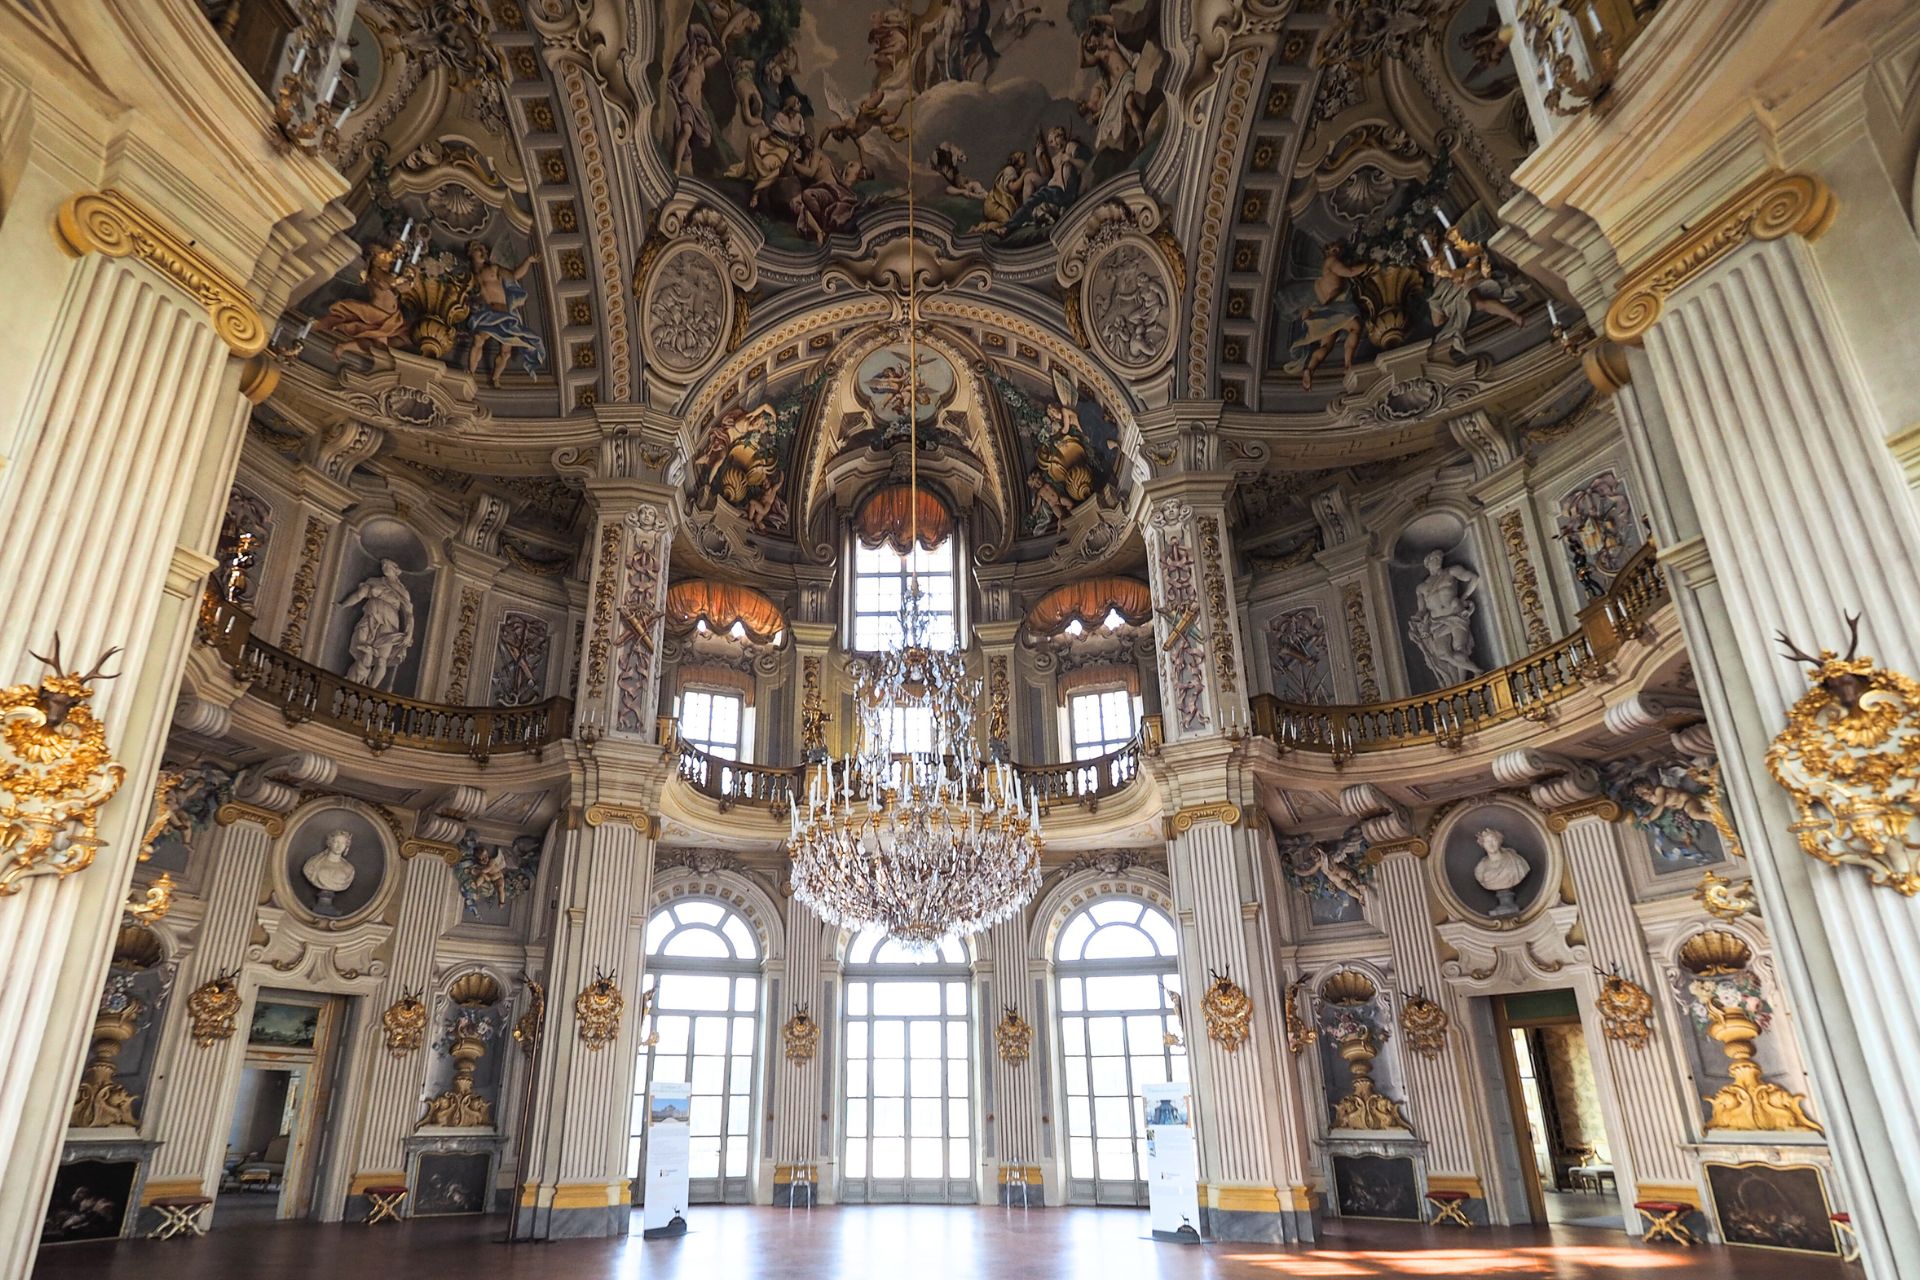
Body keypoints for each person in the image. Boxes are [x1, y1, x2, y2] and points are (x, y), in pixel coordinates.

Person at [464, 241, 546, 385]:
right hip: (488, 315)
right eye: (478, 249)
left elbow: (514, 275)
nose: (483, 252)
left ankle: (495, 377)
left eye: (484, 250)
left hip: (505, 314)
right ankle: (471, 372)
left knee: (506, 352)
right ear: (471, 253)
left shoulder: (493, 269)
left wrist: (528, 261)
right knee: (478, 339)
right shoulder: (470, 277)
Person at [1406, 550, 1481, 684]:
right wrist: (1414, 625)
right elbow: (1421, 610)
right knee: (1442, 654)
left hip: (1456, 615)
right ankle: (1476, 670)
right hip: (1437, 622)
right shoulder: (1421, 587)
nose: (1438, 560)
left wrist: (1463, 598)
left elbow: (1473, 578)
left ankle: (1462, 683)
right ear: (1427, 563)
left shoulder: (1452, 571)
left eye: (1440, 557)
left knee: (1459, 649)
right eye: (1435, 558)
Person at [340, 559, 415, 689]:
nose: (384, 567)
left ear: (395, 569)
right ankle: (352, 684)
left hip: (389, 625)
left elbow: (409, 613)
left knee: (381, 660)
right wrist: (342, 605)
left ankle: (371, 690)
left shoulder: (402, 591)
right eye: (382, 565)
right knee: (363, 651)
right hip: (370, 618)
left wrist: (409, 633)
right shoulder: (374, 581)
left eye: (387, 564)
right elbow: (359, 595)